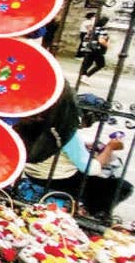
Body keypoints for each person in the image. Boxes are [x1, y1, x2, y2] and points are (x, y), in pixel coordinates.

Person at [18, 88, 133, 217]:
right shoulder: (68, 131)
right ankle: (96, 215)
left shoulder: (46, 122)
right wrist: (110, 148)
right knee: (122, 187)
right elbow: (90, 169)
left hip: (34, 173)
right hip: (56, 179)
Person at [80, 14, 110, 79]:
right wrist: (107, 45)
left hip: (90, 47)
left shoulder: (93, 28)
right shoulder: (102, 30)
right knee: (101, 64)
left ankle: (83, 76)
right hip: (97, 49)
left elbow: (87, 37)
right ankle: (86, 76)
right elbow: (101, 40)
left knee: (88, 62)